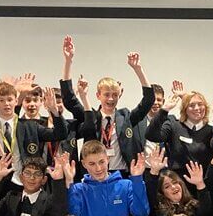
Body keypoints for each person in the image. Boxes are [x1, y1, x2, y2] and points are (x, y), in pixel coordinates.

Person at [62, 42, 155, 177]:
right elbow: (69, 99)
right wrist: (68, 61)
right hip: (95, 175)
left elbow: (148, 101)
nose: (111, 99)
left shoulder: (125, 117)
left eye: (115, 95)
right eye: (106, 95)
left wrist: (138, 69)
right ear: (98, 95)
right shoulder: (90, 116)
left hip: (121, 174)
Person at [67, 140, 150, 216]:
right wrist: (69, 182)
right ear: (84, 164)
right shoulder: (79, 189)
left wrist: (137, 179)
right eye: (92, 164)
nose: (98, 168)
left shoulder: (126, 185)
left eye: (101, 162)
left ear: (108, 159)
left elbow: (141, 212)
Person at [145, 148, 213, 216]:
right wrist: (154, 172)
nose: (173, 187)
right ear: (162, 193)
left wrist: (200, 184)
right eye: (167, 186)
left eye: (175, 182)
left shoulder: (192, 206)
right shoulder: (157, 209)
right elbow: (150, 194)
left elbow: (205, 211)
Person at [145, 87, 213, 174]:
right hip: (177, 180)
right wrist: (164, 110)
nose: (197, 108)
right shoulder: (173, 125)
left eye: (200, 104)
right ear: (185, 109)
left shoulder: (210, 130)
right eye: (191, 105)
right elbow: (151, 136)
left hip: (202, 180)